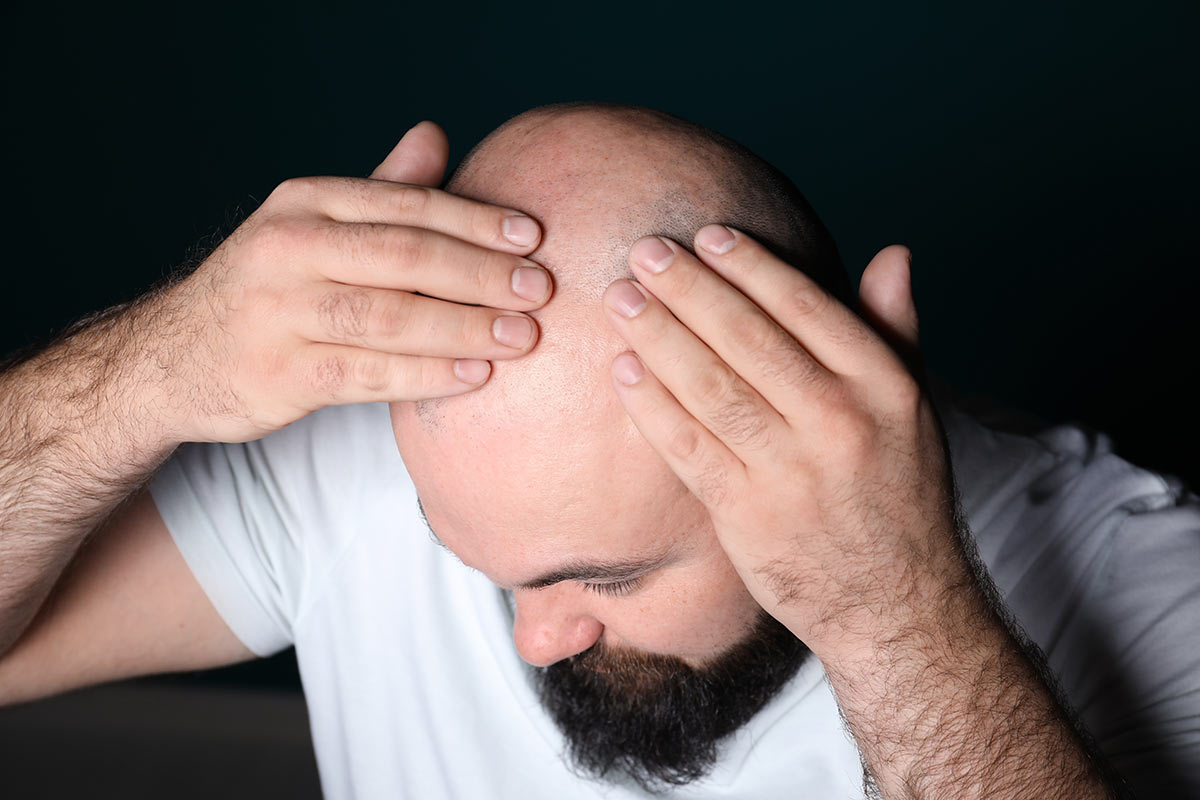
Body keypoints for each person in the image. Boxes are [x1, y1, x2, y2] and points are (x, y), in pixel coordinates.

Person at [0, 102, 1195, 799]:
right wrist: (142, 375)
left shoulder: (1145, 581)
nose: (533, 637)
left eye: (608, 575)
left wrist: (897, 612)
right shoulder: (353, 454)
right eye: (464, 551)